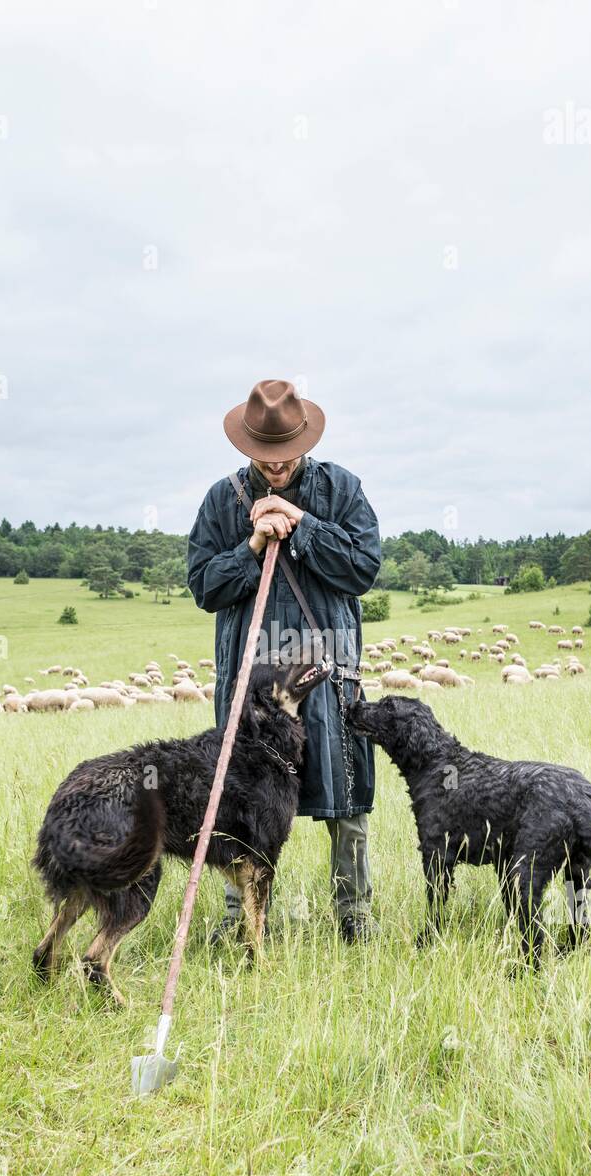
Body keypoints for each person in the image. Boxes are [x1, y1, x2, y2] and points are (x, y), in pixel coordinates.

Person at [187, 378, 382, 941]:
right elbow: (204, 587)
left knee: (343, 790)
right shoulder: (222, 500)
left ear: (305, 440)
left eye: (285, 455)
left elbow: (362, 569)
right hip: (251, 677)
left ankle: (354, 912)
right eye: (263, 457)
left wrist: (302, 525)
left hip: (324, 670)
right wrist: (250, 547)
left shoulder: (342, 490)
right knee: (241, 794)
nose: (274, 467)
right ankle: (237, 917)